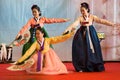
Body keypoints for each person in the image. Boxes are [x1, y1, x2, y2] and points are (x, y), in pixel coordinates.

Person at [63, 2, 119, 72]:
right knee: (82, 50)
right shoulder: (80, 18)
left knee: (93, 49)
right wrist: (67, 30)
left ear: (87, 9)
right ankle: (83, 66)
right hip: (82, 35)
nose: (82, 12)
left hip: (91, 34)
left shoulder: (92, 17)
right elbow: (74, 24)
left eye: (83, 10)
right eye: (81, 11)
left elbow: (101, 21)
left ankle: (94, 65)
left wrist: (112, 24)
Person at [7, 27, 74, 75]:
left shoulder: (48, 40)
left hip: (48, 56)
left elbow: (59, 39)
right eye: (36, 34)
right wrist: (19, 60)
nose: (37, 35)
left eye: (38, 33)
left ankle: (46, 67)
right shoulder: (35, 43)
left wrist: (69, 35)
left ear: (43, 34)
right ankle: (19, 64)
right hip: (39, 55)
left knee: (50, 66)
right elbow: (29, 52)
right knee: (32, 59)